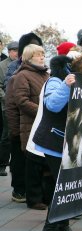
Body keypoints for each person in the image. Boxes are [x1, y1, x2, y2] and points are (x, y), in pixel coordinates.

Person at [32, 54, 80, 231]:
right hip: (53, 141)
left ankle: (62, 224)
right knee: (61, 185)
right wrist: (66, 86)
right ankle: (52, 225)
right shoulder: (54, 81)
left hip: (66, 141)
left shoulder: (77, 80)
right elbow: (52, 105)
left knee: (64, 185)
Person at [12, 44, 50, 210]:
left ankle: (45, 196)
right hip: (31, 124)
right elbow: (21, 100)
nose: (42, 57)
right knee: (33, 165)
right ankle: (34, 199)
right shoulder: (22, 75)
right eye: (38, 55)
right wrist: (43, 111)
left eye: (43, 54)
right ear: (28, 57)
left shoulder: (47, 75)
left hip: (46, 124)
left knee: (46, 162)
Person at [0, 41, 18, 176]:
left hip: (21, 105)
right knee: (6, 135)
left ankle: (15, 164)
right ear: (10, 51)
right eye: (14, 50)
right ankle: (2, 164)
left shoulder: (21, 64)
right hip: (7, 105)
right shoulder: (2, 65)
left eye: (19, 50)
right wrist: (7, 98)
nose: (17, 53)